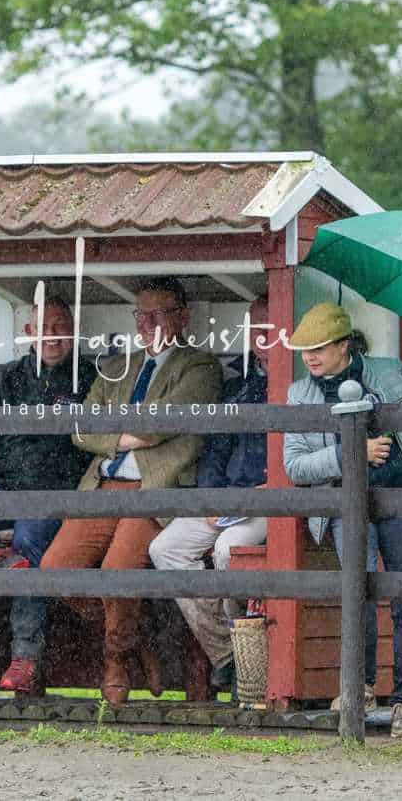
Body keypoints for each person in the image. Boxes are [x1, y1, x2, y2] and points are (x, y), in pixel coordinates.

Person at [41, 276, 222, 707]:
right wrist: (126, 436)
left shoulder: (200, 367)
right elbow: (81, 428)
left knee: (119, 571)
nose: (147, 323)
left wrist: (118, 430)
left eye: (158, 314)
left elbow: (162, 423)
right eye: (141, 315)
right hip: (104, 485)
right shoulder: (117, 365)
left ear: (183, 316)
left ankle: (116, 661)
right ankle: (138, 639)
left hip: (156, 489)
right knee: (56, 568)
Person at [282, 302, 402, 738]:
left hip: (401, 497)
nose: (310, 358)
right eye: (305, 350)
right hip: (345, 504)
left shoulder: (390, 373)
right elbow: (295, 466)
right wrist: (353, 452)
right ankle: (361, 688)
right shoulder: (299, 394)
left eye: (318, 348)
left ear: (344, 346)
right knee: (358, 593)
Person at [0, 296, 97, 694]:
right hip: (2, 491)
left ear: (73, 331)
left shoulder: (91, 378)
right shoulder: (5, 376)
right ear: (28, 332)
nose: (51, 335)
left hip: (55, 497)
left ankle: (25, 657)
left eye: (60, 326)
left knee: (27, 542)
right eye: (43, 327)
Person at [148, 297, 270, 695]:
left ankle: (248, 653)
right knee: (165, 549)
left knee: (228, 551)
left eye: (272, 328)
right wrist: (212, 497)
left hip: (272, 501)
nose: (263, 337)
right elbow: (214, 450)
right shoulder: (238, 387)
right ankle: (230, 655)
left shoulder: (299, 386)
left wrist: (272, 489)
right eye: (257, 328)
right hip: (226, 499)